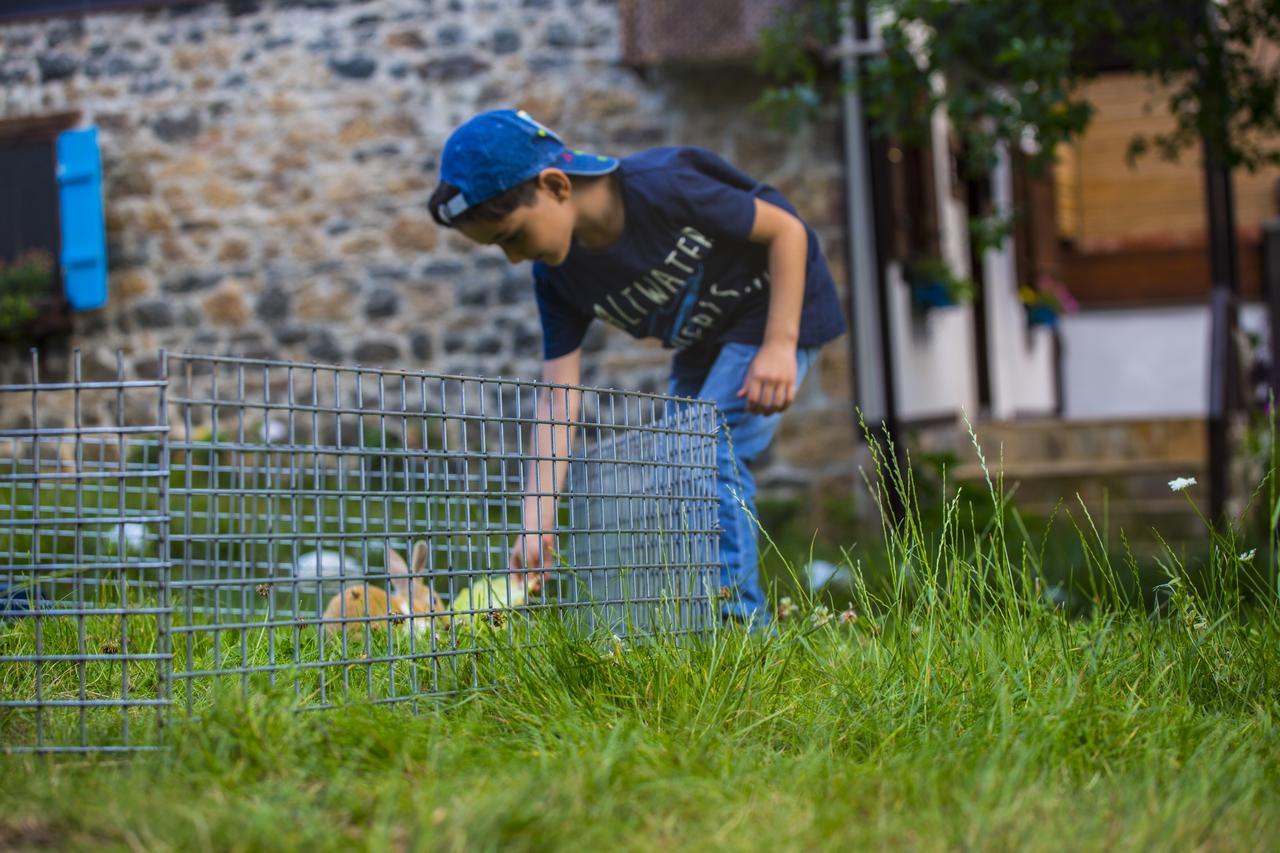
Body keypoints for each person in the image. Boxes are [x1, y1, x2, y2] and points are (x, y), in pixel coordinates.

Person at [428, 109, 845, 627]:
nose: (514, 258)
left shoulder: (662, 188)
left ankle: (741, 626)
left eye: (512, 236)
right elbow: (558, 395)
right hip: (704, 336)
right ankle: (697, 616)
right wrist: (536, 521)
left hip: (773, 311)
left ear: (555, 185)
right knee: (676, 461)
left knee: (708, 450)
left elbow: (787, 230)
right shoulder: (558, 277)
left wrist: (780, 345)